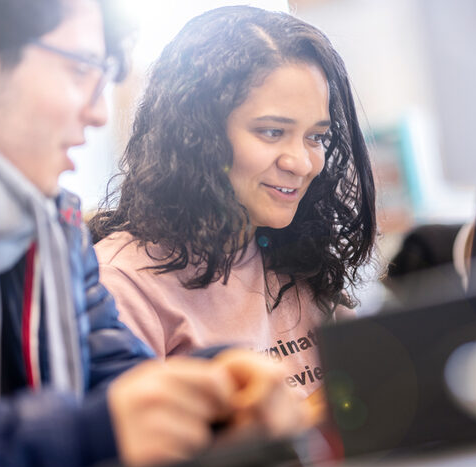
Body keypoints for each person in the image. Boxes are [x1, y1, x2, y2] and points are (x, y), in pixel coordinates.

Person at [0, 1, 305, 467]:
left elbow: (116, 381)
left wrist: (219, 391)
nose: (101, 111)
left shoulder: (49, 233)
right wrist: (86, 437)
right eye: (80, 70)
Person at [90, 6, 377, 399]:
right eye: (273, 132)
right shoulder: (122, 286)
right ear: (195, 137)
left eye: (316, 138)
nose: (303, 163)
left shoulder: (297, 259)